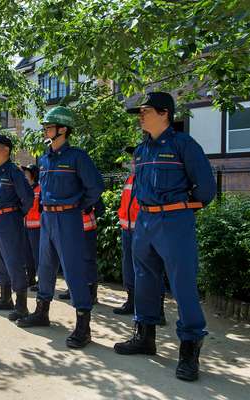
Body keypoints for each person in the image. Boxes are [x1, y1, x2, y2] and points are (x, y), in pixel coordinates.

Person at [114, 92, 216, 382]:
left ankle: (189, 348)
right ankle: (145, 336)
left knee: (182, 283)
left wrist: (180, 208)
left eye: (145, 111)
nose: (140, 117)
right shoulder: (142, 150)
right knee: (144, 278)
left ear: (164, 113)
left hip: (173, 220)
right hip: (144, 221)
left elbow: (206, 189)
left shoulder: (183, 144)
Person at [17, 106, 104, 350]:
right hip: (48, 219)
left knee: (73, 271)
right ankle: (42, 312)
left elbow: (95, 187)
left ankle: (83, 326)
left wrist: (78, 205)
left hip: (68, 219)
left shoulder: (77, 157)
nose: (45, 129)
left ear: (63, 129)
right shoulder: (44, 158)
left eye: (49, 126)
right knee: (45, 267)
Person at [113, 146, 167, 326]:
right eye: (133, 158)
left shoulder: (152, 177)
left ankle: (158, 310)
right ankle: (131, 301)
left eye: (136, 158)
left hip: (145, 230)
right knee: (128, 266)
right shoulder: (131, 178)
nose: (133, 161)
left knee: (151, 270)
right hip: (127, 230)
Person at [0, 135, 34, 321]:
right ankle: (5, 298)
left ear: (6, 149)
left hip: (8, 219)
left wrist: (16, 214)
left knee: (13, 260)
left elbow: (27, 198)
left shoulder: (14, 171)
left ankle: (21, 306)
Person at [21, 164, 41, 291]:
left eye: (27, 173)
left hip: (37, 227)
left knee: (37, 255)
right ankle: (31, 278)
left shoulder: (40, 189)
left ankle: (42, 281)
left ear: (33, 175)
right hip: (26, 225)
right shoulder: (26, 189)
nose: (25, 175)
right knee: (27, 254)